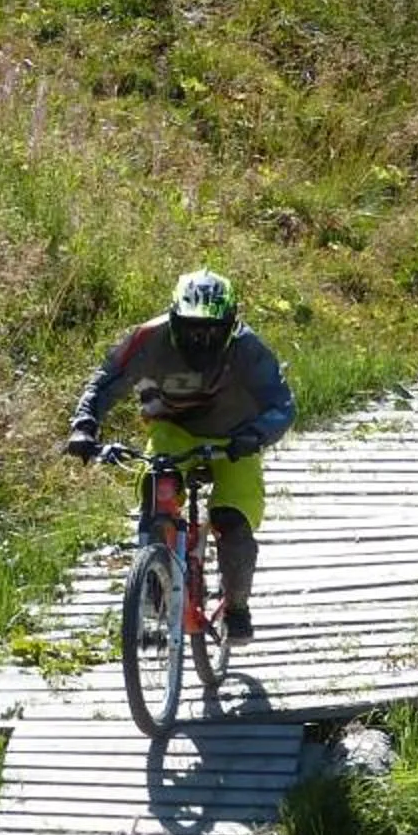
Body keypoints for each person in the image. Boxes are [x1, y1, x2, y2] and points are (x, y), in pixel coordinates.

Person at [64, 269, 294, 640]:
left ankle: (237, 606)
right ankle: (154, 570)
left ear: (231, 324)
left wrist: (256, 435)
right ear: (173, 320)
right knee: (157, 492)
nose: (201, 340)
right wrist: (85, 426)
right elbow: (106, 381)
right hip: (173, 431)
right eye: (191, 329)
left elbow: (282, 404)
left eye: (212, 330)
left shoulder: (249, 348)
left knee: (233, 522)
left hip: (235, 439)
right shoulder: (148, 338)